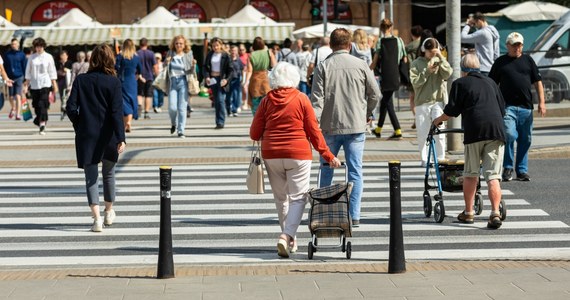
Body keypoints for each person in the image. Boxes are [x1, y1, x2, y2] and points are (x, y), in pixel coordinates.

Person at [250, 62, 341, 258]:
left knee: (281, 199)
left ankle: (290, 239)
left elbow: (254, 133)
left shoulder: (266, 101)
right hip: (298, 154)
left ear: (273, 79)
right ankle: (287, 235)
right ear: (294, 78)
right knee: (298, 197)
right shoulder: (301, 99)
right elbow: (313, 131)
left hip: (272, 154)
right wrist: (328, 155)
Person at [311, 28, 381, 227]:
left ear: (331, 46)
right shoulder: (361, 65)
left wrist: (314, 124)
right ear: (349, 45)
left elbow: (317, 100)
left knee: (326, 168)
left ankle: (323, 211)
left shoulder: (323, 67)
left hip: (329, 126)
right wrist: (366, 113)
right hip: (356, 125)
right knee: (355, 170)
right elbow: (375, 94)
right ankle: (354, 215)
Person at [433, 53, 506, 229]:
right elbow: (502, 108)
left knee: (471, 173)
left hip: (475, 131)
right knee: (493, 176)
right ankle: (495, 212)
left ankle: (468, 213)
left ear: (463, 69)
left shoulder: (460, 83)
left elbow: (451, 111)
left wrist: (437, 121)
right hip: (496, 131)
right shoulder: (491, 82)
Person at [66, 43, 126, 233]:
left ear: (92, 60)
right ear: (110, 60)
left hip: (87, 134)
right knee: (109, 174)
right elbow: (117, 112)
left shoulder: (81, 80)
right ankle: (109, 211)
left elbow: (70, 107)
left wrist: (79, 124)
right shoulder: (114, 82)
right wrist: (121, 137)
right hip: (108, 134)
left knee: (90, 177)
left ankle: (97, 219)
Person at [489, 32, 546, 182]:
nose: (517, 48)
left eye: (519, 45)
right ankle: (508, 167)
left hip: (526, 107)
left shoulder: (528, 60)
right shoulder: (501, 62)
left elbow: (538, 82)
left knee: (525, 139)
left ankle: (521, 170)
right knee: (509, 135)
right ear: (507, 45)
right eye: (514, 45)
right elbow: (492, 84)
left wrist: (542, 102)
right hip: (508, 107)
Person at [409, 35, 452, 167]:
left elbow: (448, 73)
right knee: (423, 132)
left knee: (439, 133)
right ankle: (424, 159)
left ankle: (440, 158)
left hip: (437, 101)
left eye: (435, 51)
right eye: (430, 52)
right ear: (424, 50)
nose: (432, 54)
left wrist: (440, 56)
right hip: (422, 102)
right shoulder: (416, 63)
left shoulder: (439, 60)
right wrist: (427, 72)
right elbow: (415, 83)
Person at [370, 18, 407, 139]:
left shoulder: (380, 41)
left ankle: (397, 130)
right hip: (395, 74)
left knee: (387, 103)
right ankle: (379, 130)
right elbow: (404, 59)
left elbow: (375, 61)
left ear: (381, 28)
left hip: (385, 75)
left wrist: (368, 69)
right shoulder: (399, 40)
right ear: (391, 27)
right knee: (386, 101)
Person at [23, 37, 57, 135]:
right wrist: (26, 85)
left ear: (43, 46)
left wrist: (54, 84)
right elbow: (28, 72)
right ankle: (39, 120)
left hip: (45, 84)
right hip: (34, 85)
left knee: (43, 104)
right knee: (37, 106)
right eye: (36, 47)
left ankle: (42, 124)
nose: (38, 48)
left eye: (40, 47)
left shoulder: (49, 57)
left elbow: (52, 71)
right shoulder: (32, 57)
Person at [165, 35, 195, 138]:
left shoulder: (188, 54)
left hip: (183, 81)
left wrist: (193, 65)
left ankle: (181, 130)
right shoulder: (170, 53)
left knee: (182, 108)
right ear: (174, 44)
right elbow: (164, 68)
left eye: (181, 43)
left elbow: (191, 71)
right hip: (172, 82)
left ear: (184, 44)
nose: (178, 45)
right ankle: (174, 123)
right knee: (172, 107)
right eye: (177, 43)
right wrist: (166, 62)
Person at [203, 37, 233, 129]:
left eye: (217, 45)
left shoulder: (225, 55)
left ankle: (220, 122)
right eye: (213, 46)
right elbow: (205, 67)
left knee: (220, 100)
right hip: (213, 80)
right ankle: (218, 121)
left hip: (222, 80)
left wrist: (226, 80)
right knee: (216, 101)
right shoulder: (210, 55)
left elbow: (230, 70)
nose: (215, 47)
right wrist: (207, 77)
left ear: (221, 45)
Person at [115, 39, 143, 133]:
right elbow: (140, 69)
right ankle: (129, 122)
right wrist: (137, 75)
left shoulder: (120, 56)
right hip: (132, 81)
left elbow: (116, 67)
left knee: (124, 102)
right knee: (132, 100)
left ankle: (124, 124)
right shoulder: (136, 57)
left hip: (122, 80)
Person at [245, 36, 276, 115]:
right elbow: (274, 65)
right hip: (266, 81)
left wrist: (245, 82)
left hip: (255, 82)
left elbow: (249, 70)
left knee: (256, 108)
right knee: (267, 106)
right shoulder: (268, 52)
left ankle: (257, 123)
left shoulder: (251, 55)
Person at [405, 25, 423, 129]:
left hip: (412, 74)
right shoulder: (424, 44)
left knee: (412, 98)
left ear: (412, 34)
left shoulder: (409, 46)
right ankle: (420, 118)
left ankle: (417, 118)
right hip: (424, 73)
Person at [136, 38, 158, 119]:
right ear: (147, 44)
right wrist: (157, 75)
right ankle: (146, 112)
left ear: (140, 44)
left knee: (139, 93)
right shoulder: (151, 53)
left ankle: (139, 106)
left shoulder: (137, 53)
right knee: (148, 95)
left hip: (139, 76)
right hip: (149, 76)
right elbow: (155, 66)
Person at [4, 38, 25, 120]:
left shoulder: (22, 54)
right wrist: (5, 76)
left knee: (18, 96)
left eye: (15, 44)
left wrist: (25, 79)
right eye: (12, 44)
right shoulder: (7, 54)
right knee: (11, 97)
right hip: (10, 78)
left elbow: (24, 66)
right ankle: (13, 108)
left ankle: (18, 114)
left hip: (19, 77)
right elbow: (4, 67)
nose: (14, 45)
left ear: (18, 45)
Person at [226, 45, 245, 117]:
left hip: (236, 79)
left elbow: (242, 69)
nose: (233, 52)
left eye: (235, 51)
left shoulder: (239, 60)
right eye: (232, 50)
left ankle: (234, 110)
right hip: (228, 80)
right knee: (228, 96)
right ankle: (228, 109)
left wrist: (243, 78)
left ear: (237, 52)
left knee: (235, 95)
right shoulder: (227, 59)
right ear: (230, 51)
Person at [238, 44, 250, 111]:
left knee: (246, 89)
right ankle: (243, 102)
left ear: (245, 50)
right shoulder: (238, 57)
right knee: (241, 89)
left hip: (247, 74)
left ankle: (246, 103)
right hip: (240, 74)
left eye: (243, 49)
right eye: (240, 50)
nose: (241, 51)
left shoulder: (248, 55)